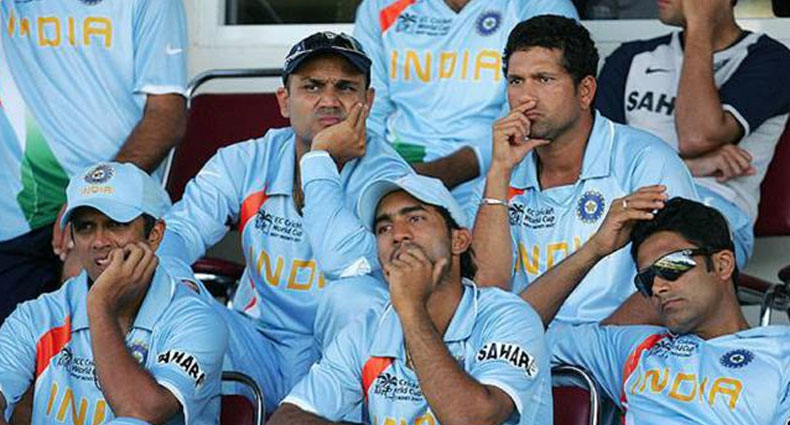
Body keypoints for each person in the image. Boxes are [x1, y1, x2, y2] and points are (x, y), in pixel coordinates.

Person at [157, 31, 413, 410]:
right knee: (164, 292)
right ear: (284, 101)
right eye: (312, 86)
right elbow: (178, 231)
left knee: (354, 297)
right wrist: (179, 284)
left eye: (345, 87)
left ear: (368, 101)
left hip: (342, 357)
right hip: (258, 343)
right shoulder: (247, 159)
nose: (329, 100)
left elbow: (347, 266)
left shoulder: (391, 175)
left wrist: (319, 160)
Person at [268, 174, 552, 425]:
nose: (398, 235)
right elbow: (286, 418)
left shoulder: (511, 317)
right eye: (384, 228)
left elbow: (473, 419)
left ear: (459, 241)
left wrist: (412, 309)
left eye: (415, 218)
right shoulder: (368, 328)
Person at [471, 15, 698, 326]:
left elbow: (678, 275)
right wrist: (499, 173)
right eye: (516, 81)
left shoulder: (646, 161)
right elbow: (487, 291)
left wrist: (591, 345)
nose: (525, 97)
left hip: (620, 342)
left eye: (544, 79)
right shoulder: (500, 175)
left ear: (585, 91)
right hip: (523, 344)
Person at [521, 195, 790, 424]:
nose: (658, 287)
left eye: (671, 266)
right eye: (646, 280)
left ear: (722, 265)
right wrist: (593, 250)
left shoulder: (781, 353)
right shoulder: (635, 348)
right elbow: (515, 332)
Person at [0, 0, 188, 322]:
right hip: (17, 216)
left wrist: (94, 196)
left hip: (116, 208)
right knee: (17, 345)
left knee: (93, 324)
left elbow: (167, 116)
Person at [0, 162, 227, 425]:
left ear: (155, 235)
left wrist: (99, 304)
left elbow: (140, 412)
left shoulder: (196, 321)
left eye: (116, 224)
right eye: (85, 227)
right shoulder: (38, 315)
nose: (99, 241)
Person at [595, 0, 790, 268]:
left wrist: (699, 26)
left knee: (666, 270)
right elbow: (599, 160)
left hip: (712, 212)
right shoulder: (630, 57)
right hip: (629, 206)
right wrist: (693, 166)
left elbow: (697, 137)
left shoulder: (771, 60)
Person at [353, 0, 578, 215]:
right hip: (398, 172)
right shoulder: (380, 6)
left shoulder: (538, 6)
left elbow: (537, 110)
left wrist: (450, 170)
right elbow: (369, 111)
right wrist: (388, 174)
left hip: (496, 176)